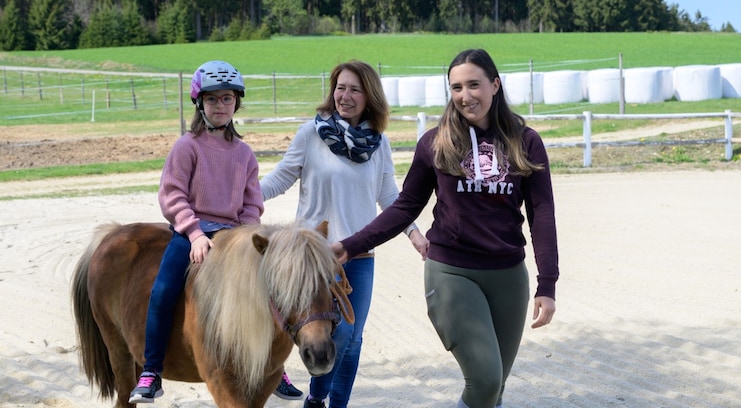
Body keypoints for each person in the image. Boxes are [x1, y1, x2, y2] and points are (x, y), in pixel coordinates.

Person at [332, 49, 559, 408]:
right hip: (452, 273)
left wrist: (548, 282)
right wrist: (351, 244)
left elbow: (542, 213)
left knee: (494, 389)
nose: (465, 96)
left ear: (495, 85)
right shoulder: (436, 143)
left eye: (474, 85)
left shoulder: (525, 141)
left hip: (508, 275)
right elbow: (405, 205)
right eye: (456, 87)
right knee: (484, 380)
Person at [260, 59, 428, 408]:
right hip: (314, 257)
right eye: (340, 87)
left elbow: (389, 196)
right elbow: (281, 178)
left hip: (358, 253)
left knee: (351, 338)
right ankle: (318, 398)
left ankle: (327, 403)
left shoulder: (378, 144)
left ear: (369, 97)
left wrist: (412, 231)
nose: (345, 96)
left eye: (354, 89)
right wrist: (241, 197)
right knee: (324, 332)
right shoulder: (311, 134)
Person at [128, 60, 266, 403]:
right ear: (199, 103)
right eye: (212, 100)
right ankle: (151, 370)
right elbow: (171, 194)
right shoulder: (187, 146)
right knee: (162, 291)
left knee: (268, 291)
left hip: (234, 238)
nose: (220, 106)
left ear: (237, 103)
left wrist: (246, 237)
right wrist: (194, 233)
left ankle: (272, 367)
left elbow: (252, 203)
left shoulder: (245, 154)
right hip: (192, 233)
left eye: (227, 99)